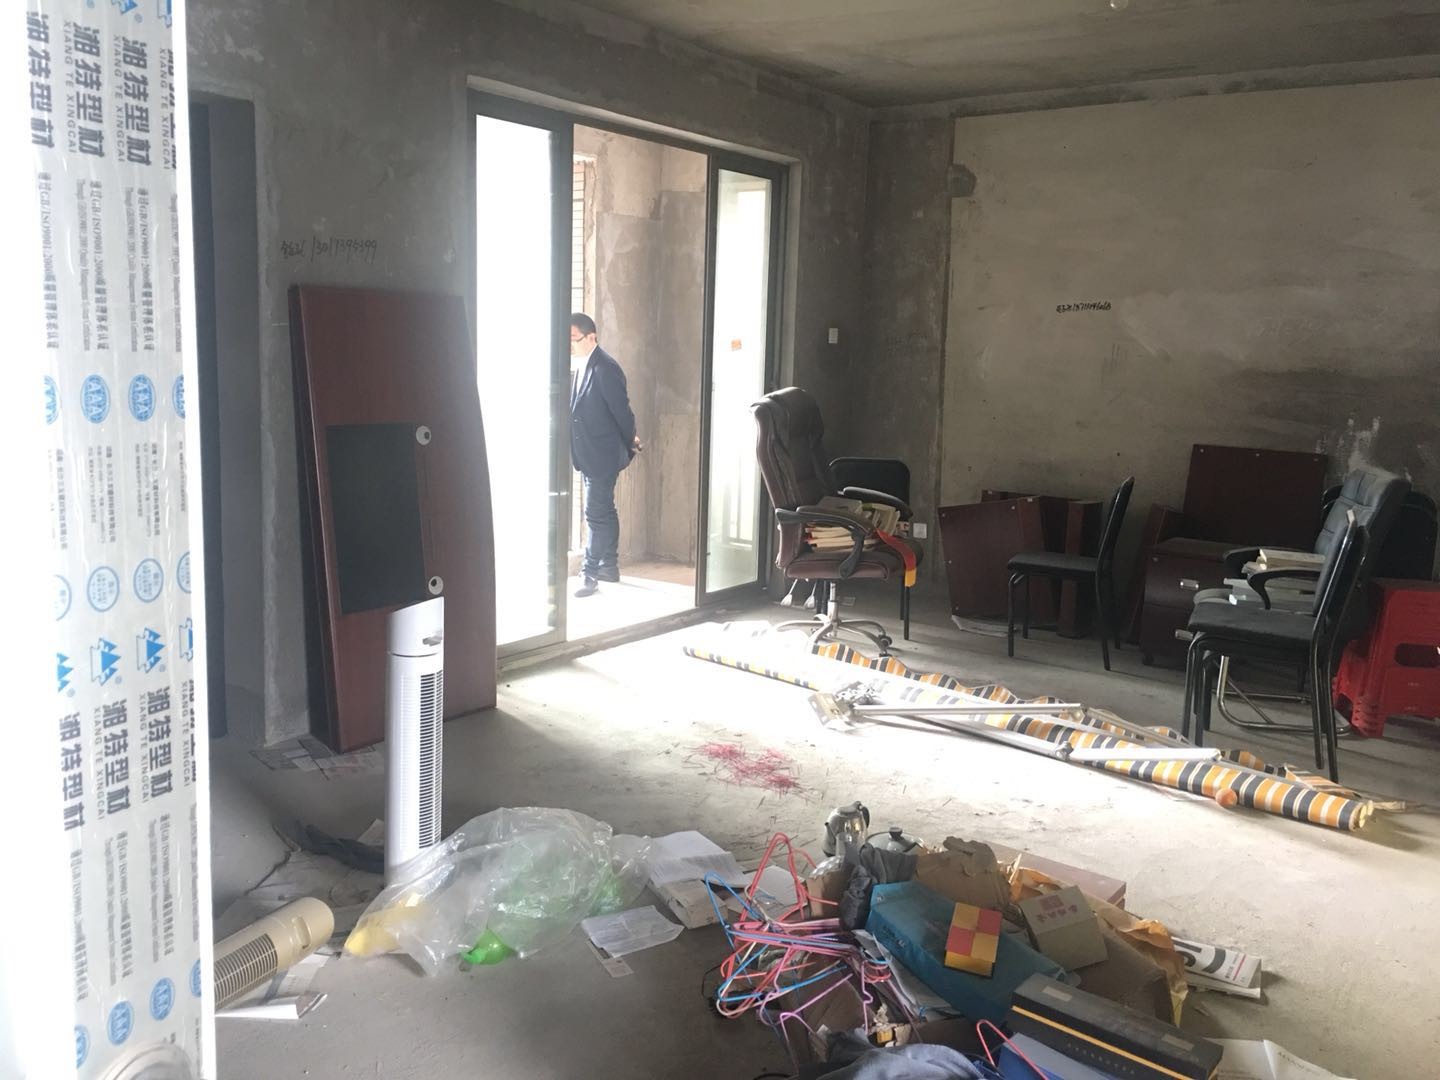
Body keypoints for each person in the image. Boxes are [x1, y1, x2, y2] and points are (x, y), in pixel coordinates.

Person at [569, 313, 641, 597]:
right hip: (588, 453)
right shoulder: (582, 365)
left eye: (574, 339)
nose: (570, 346)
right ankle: (609, 566)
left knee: (595, 514)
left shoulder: (606, 368)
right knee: (605, 511)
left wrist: (630, 441)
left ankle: (589, 574)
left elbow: (622, 413)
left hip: (602, 455)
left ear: (591, 337)